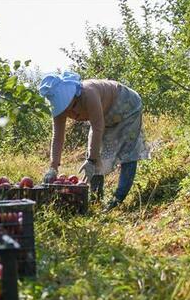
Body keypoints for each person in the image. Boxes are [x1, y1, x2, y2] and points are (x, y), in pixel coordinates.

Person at [38, 71, 150, 211]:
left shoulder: (89, 93)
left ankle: (117, 200)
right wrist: (53, 167)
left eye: (72, 108)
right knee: (94, 152)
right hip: (105, 116)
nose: (73, 115)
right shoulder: (61, 110)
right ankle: (96, 199)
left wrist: (92, 160)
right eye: (66, 112)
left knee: (128, 153)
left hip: (127, 107)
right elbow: (58, 136)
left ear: (76, 97)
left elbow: (98, 128)